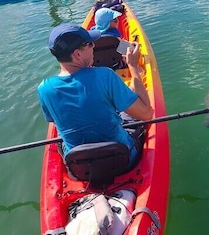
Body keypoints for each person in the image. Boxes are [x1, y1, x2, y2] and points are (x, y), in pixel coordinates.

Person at [37, 23, 153, 167]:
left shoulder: (44, 88)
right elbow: (147, 114)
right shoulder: (105, 75)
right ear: (77, 54)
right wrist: (133, 66)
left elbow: (56, 121)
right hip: (123, 160)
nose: (94, 48)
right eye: (90, 44)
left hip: (79, 167)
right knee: (128, 115)